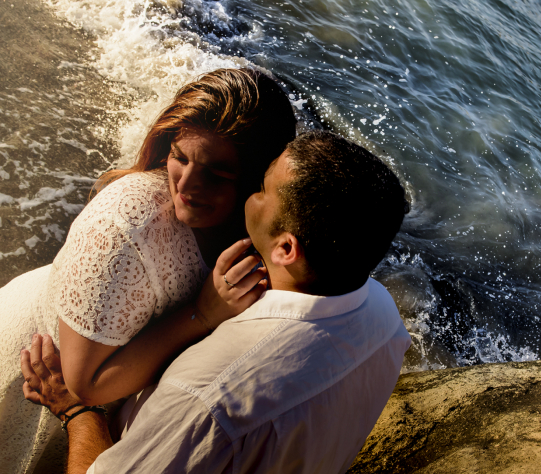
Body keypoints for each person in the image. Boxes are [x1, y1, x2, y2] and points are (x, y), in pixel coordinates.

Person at [22, 130, 412, 474]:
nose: (251, 195)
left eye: (261, 187)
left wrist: (77, 411)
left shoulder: (207, 399)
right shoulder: (385, 317)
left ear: (287, 248)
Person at [0, 68, 297, 474]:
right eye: (180, 157)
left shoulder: (261, 227)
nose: (188, 184)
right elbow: (84, 385)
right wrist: (201, 314)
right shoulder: (125, 231)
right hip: (37, 380)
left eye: (216, 173)